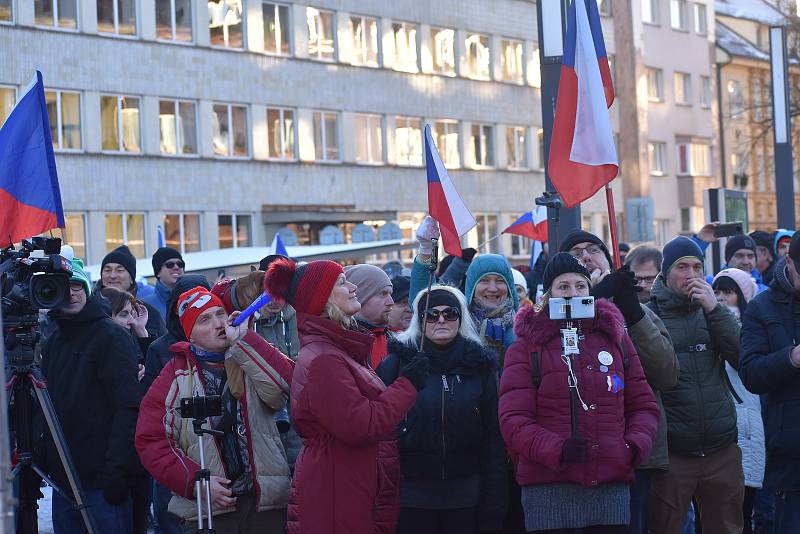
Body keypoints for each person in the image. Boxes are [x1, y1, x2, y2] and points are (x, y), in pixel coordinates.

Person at [262, 258, 427, 534]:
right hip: (337, 492)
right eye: (341, 282)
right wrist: (407, 385)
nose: (352, 288)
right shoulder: (324, 359)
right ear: (321, 299)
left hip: (348, 483)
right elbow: (362, 425)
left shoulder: (336, 349)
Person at [499, 252, 659, 533]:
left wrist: (631, 447)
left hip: (610, 491)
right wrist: (556, 449)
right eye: (564, 287)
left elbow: (643, 405)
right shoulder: (526, 347)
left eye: (580, 286)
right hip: (548, 492)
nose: (573, 293)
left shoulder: (616, 340)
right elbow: (513, 420)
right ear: (548, 294)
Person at [136, 287, 295, 533]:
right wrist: (195, 482)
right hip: (208, 511)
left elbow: (286, 386)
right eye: (204, 320)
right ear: (190, 335)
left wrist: (246, 341)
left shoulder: (249, 353)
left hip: (265, 505)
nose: (219, 323)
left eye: (221, 313)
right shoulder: (176, 375)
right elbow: (152, 440)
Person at [560, 230, 679, 534]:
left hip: (634, 456)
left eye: (594, 250)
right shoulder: (550, 314)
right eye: (576, 253)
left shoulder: (641, 311)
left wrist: (632, 312)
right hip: (576, 457)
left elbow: (666, 374)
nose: (586, 257)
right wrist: (592, 300)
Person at [377, 285, 507, 534]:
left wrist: (494, 506)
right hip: (410, 498)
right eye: (431, 314)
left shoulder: (480, 366)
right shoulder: (397, 365)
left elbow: (494, 439)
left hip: (467, 497)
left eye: (450, 313)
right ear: (420, 320)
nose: (441, 320)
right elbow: (382, 432)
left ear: (461, 317)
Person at [647, 236, 744, 533]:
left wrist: (716, 311)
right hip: (674, 451)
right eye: (682, 267)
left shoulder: (713, 310)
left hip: (721, 446)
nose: (691, 275)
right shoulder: (650, 312)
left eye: (697, 267)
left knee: (727, 527)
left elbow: (743, 356)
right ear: (665, 274)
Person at [40, 258, 141, 534]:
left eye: (76, 285)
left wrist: (116, 472)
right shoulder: (53, 343)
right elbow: (47, 407)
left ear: (86, 288)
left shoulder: (111, 336)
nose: (71, 293)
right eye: (64, 286)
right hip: (65, 482)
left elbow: (128, 407)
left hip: (103, 483)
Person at [739, 232, 800, 533]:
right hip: (791, 454)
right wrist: (791, 358)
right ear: (789, 261)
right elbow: (750, 373)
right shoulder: (763, 307)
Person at [140, 273, 210, 534]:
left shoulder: (222, 341)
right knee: (172, 520)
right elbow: (152, 405)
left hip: (214, 448)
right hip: (176, 450)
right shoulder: (161, 349)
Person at [711, 268, 765, 534]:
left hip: (748, 427)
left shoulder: (755, 332)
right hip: (722, 429)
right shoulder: (705, 325)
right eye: (716, 291)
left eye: (728, 292)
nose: (720, 298)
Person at [100, 245, 166, 337]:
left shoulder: (150, 314)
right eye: (107, 270)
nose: (113, 275)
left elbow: (160, 350)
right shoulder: (90, 309)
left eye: (120, 270)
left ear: (132, 279)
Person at [345, 263, 395, 369]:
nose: (391, 302)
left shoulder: (394, 341)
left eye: (390, 294)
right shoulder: (342, 344)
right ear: (359, 296)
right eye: (383, 293)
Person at [142, 247, 185, 320]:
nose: (176, 267)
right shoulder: (146, 306)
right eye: (170, 265)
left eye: (180, 264)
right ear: (158, 272)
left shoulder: (194, 298)